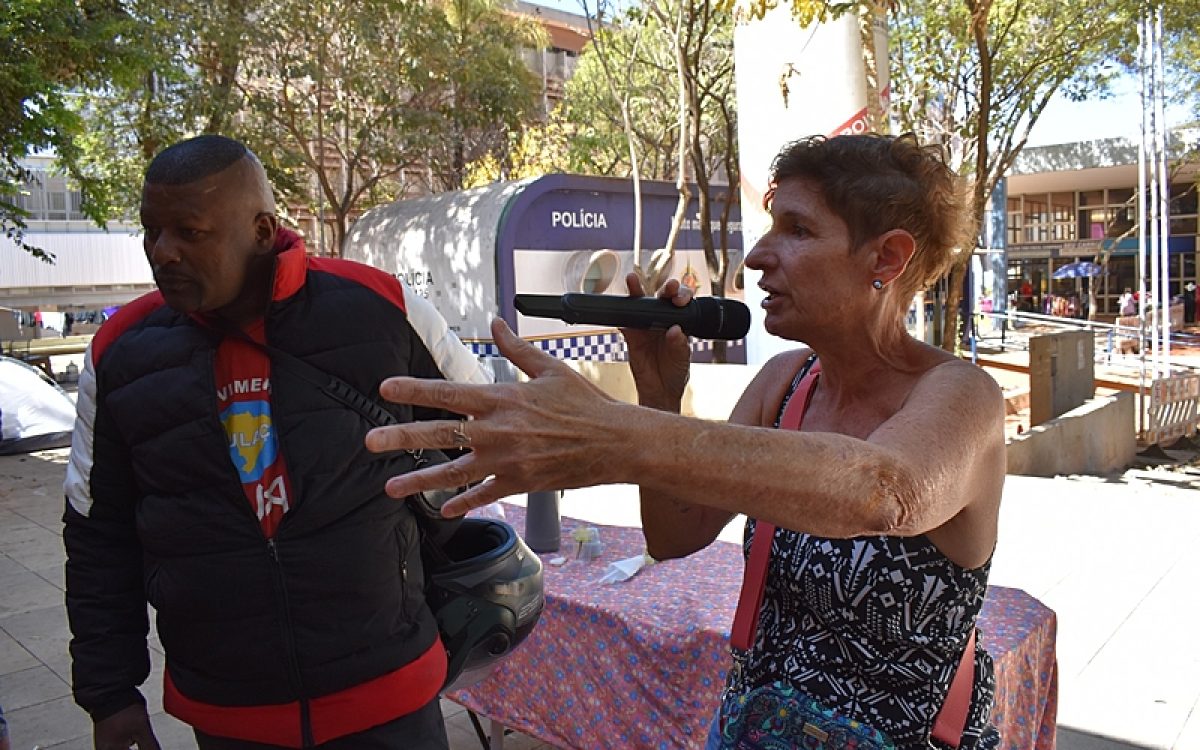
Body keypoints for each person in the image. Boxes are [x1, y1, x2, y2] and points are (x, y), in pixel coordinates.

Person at [365, 134, 1005, 748]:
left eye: (799, 229)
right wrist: (658, 397)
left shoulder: (963, 396)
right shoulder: (785, 384)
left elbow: (882, 491)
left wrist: (610, 433)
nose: (757, 256)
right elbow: (675, 537)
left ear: (886, 259)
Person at [63, 135, 490, 750]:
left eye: (189, 231)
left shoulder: (382, 310)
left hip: (389, 694)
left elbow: (484, 438)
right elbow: (97, 535)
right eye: (150, 232)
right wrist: (110, 696)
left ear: (262, 231)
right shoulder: (119, 353)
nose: (163, 253)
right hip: (229, 712)